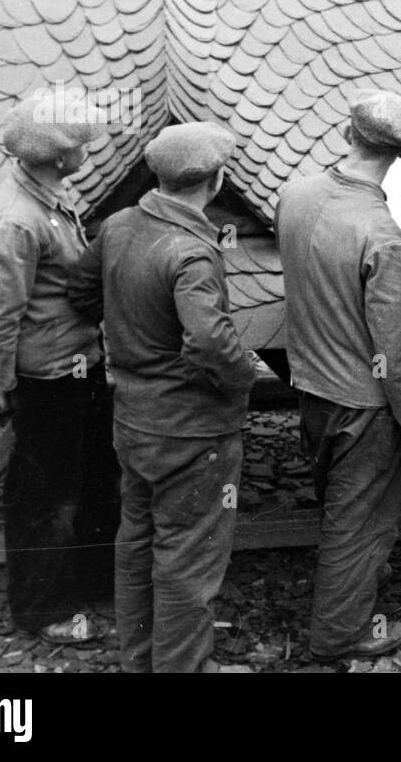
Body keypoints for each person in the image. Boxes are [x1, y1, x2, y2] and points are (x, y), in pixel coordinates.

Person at [68, 121, 255, 673]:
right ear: (216, 180)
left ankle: (141, 660)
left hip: (134, 420)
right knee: (188, 563)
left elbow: (81, 293)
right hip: (192, 431)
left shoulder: (120, 225)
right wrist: (241, 378)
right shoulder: (193, 252)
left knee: (137, 544)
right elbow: (209, 341)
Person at [274, 91, 401, 663]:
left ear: (349, 133)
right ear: (400, 156)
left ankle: (358, 577)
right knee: (358, 521)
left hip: (311, 384)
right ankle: (339, 634)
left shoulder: (294, 194)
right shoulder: (381, 232)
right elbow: (394, 348)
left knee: (341, 505)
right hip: (363, 402)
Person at [0, 92, 119, 645]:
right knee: (48, 497)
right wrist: (3, 382)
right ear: (59, 158)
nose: (88, 151)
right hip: (49, 378)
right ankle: (44, 607)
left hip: (78, 367)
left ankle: (88, 580)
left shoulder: (47, 192)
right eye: (82, 145)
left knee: (91, 480)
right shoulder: (18, 220)